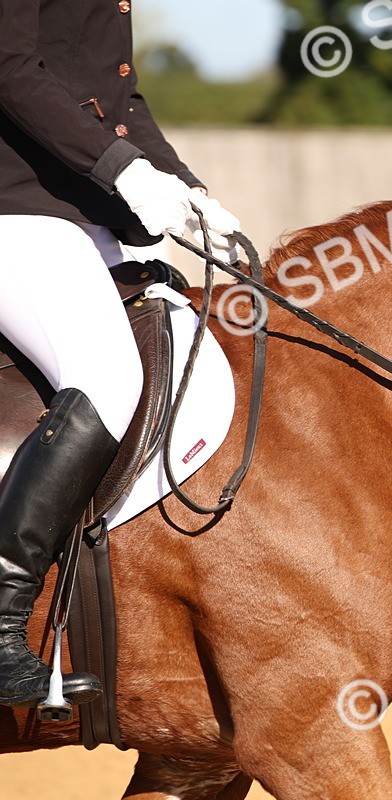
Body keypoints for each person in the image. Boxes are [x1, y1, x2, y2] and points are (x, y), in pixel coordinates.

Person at [0, 1, 241, 709]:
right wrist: (123, 170)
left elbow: (116, 93)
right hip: (14, 207)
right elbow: (9, 67)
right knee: (107, 371)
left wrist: (187, 188)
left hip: (79, 211)